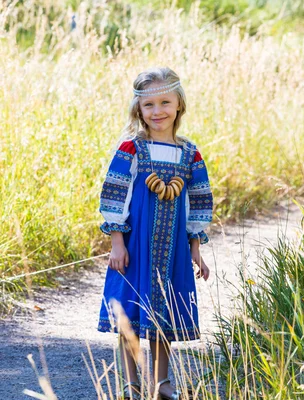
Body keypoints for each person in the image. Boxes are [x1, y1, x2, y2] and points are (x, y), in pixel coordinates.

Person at [97, 67, 213, 400]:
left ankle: (162, 384)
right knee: (130, 312)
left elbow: (200, 199)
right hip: (135, 245)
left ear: (179, 105)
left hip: (173, 247)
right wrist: (117, 243)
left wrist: (195, 247)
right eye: (149, 105)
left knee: (165, 313)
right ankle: (131, 384)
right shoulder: (132, 149)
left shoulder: (190, 154)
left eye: (165, 102)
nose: (157, 111)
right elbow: (114, 194)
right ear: (139, 109)